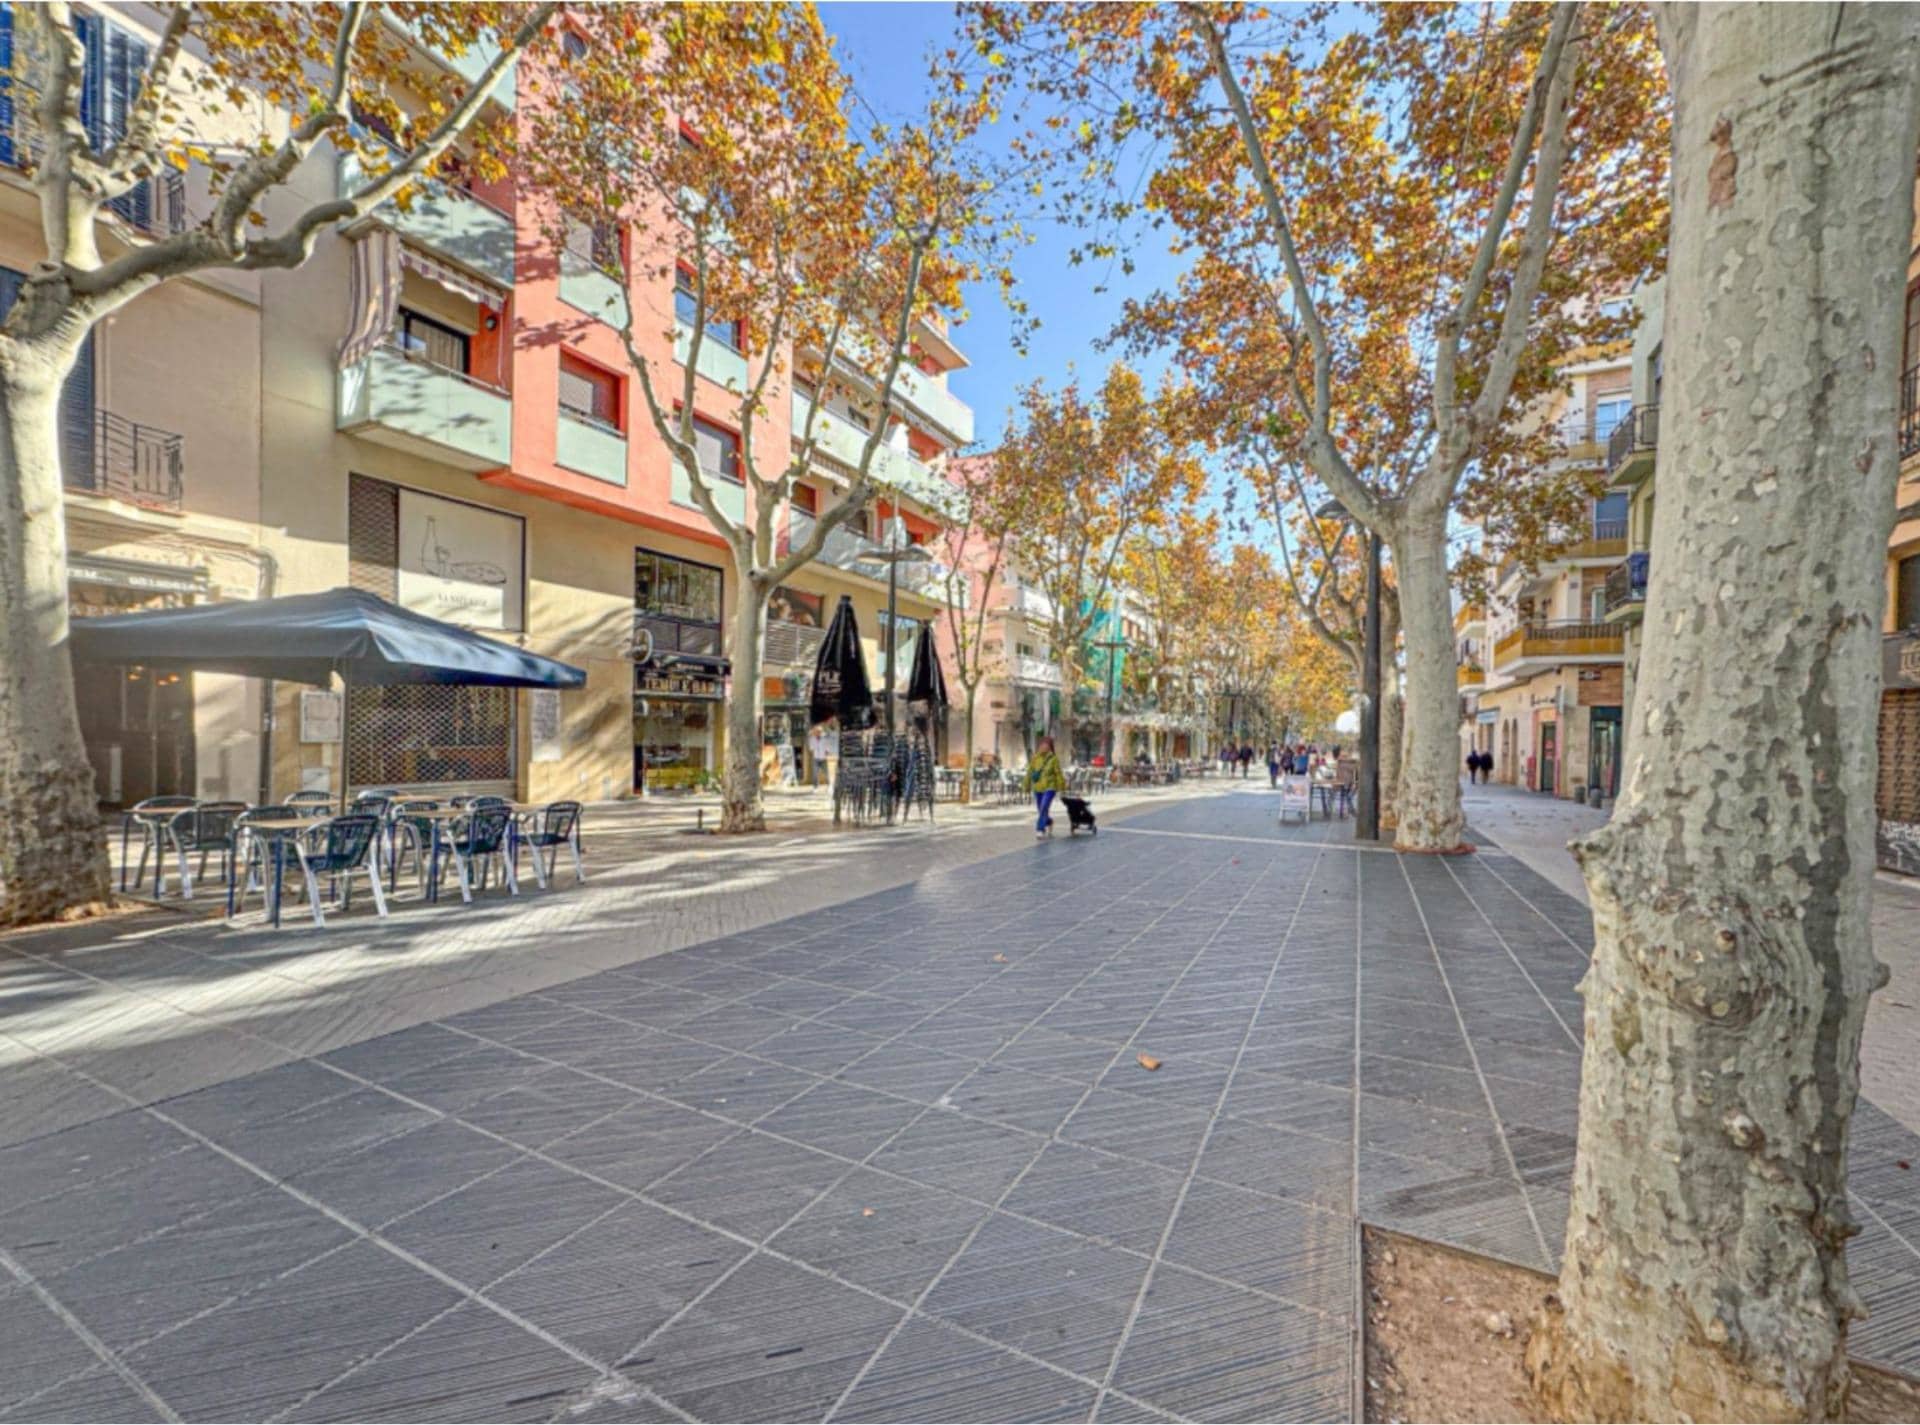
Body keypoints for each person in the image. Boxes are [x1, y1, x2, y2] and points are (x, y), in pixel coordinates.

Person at [1028, 734, 1067, 838]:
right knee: (1041, 809)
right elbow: (1029, 772)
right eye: (1042, 744)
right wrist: (1026, 785)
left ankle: (1040, 829)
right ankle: (1049, 821)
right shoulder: (1035, 758)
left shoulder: (1053, 759)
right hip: (1038, 787)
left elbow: (1058, 773)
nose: (1044, 746)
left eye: (1046, 745)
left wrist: (1062, 787)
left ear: (1050, 747)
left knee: (1044, 806)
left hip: (1050, 787)